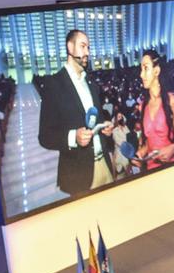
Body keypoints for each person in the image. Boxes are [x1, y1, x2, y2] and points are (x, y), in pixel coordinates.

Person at [35, 28, 116, 197]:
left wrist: (105, 128)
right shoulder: (54, 85)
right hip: (80, 174)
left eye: (88, 47)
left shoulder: (91, 83)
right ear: (70, 48)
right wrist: (74, 137)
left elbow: (97, 120)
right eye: (83, 46)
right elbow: (45, 136)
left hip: (105, 166)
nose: (87, 52)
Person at [135, 48, 174, 169]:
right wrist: (141, 153)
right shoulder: (143, 105)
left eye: (146, 68)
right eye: (141, 69)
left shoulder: (170, 100)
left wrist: (172, 147)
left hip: (171, 167)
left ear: (156, 71)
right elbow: (149, 142)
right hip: (151, 168)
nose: (141, 74)